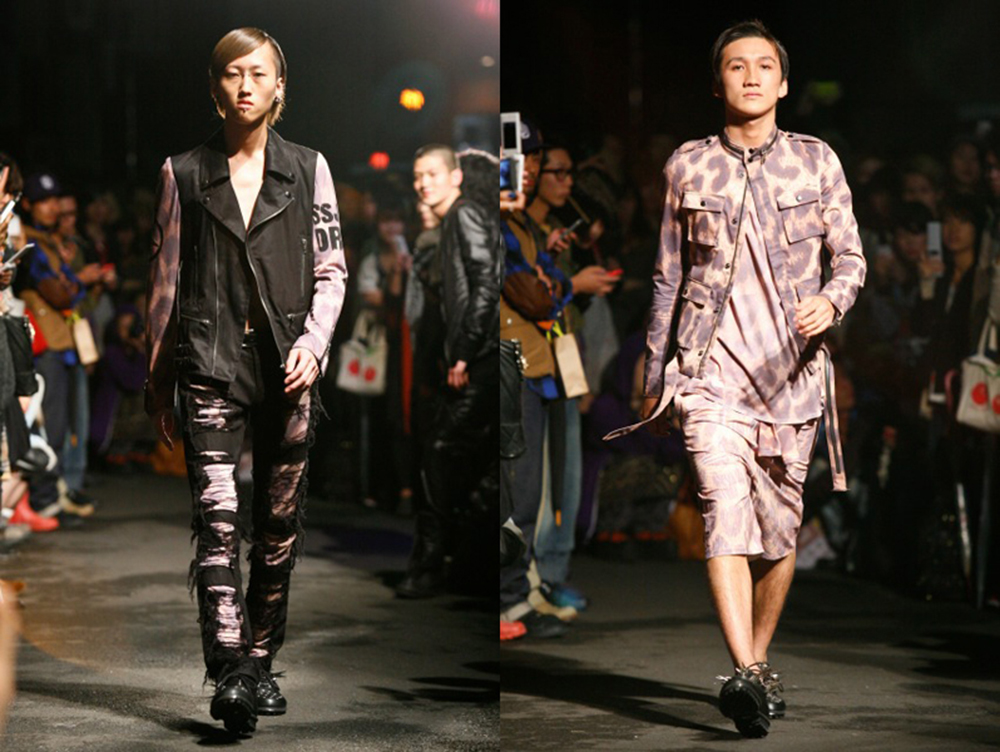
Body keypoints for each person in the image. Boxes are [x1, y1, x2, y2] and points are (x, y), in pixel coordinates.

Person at [607, 20, 865, 737]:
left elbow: (851, 257)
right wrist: (654, 372)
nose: (750, 76)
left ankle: (757, 667)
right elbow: (667, 277)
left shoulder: (816, 161)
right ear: (717, 82)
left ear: (783, 83)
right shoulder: (688, 166)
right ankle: (746, 672)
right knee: (725, 513)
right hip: (708, 377)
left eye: (763, 66)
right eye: (735, 65)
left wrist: (832, 301)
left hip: (792, 382)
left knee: (778, 536)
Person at [144, 27, 347, 735]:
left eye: (258, 73)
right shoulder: (182, 173)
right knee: (218, 522)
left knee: (278, 525)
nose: (245, 85)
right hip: (210, 364)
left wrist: (315, 344)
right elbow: (164, 281)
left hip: (288, 368)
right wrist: (157, 379)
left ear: (279, 85)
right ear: (214, 86)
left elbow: (332, 271)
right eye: (232, 73)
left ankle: (260, 661)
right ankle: (230, 667)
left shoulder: (309, 168)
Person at [396, 143, 499, 598]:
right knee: (457, 454)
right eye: (418, 176)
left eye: (433, 174)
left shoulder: (463, 214)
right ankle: (455, 560)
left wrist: (462, 353)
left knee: (440, 451)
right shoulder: (457, 218)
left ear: (455, 176)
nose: (423, 184)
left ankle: (436, 563)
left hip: (481, 357)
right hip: (479, 355)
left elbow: (486, 284)